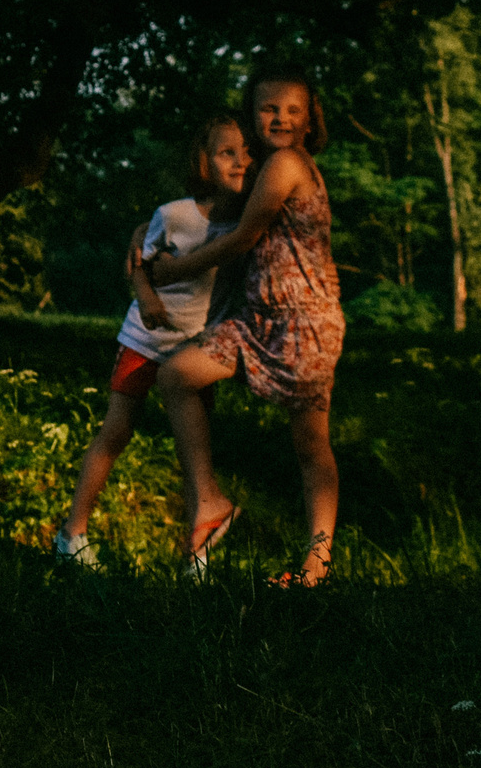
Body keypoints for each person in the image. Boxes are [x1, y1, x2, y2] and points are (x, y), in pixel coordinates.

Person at [132, 71, 344, 585]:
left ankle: (316, 568)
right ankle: (209, 501)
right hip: (257, 321)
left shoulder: (289, 165)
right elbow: (206, 215)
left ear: (309, 120)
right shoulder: (263, 169)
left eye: (293, 110)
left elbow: (242, 237)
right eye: (268, 108)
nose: (280, 118)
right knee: (178, 375)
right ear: (252, 115)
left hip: (304, 325)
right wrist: (144, 236)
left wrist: (167, 272)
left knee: (311, 446)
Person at [50, 114, 251, 568]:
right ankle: (71, 534)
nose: (240, 162)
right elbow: (139, 263)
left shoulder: (250, 220)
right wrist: (145, 297)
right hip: (144, 340)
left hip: (196, 348)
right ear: (205, 161)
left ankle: (196, 554)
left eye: (247, 153)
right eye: (226, 153)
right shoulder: (175, 215)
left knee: (192, 447)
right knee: (116, 429)